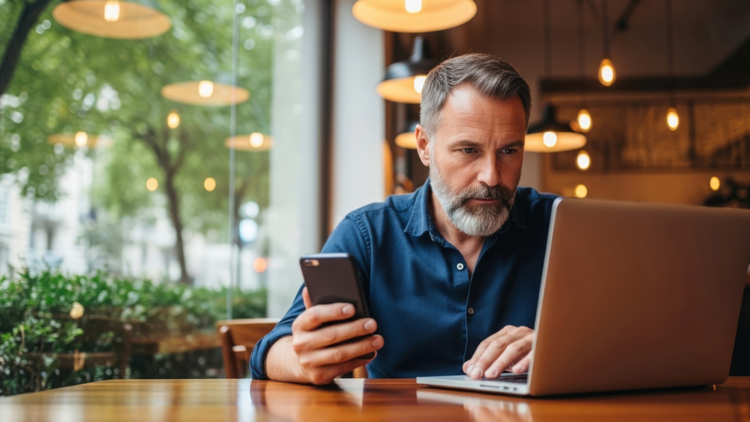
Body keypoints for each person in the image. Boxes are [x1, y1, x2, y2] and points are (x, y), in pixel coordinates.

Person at [250, 53, 558, 384]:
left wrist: (556, 348)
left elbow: (620, 335)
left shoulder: (561, 226)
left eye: (508, 151)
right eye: (469, 150)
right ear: (425, 146)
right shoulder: (368, 234)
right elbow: (269, 352)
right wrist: (302, 359)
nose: (491, 176)